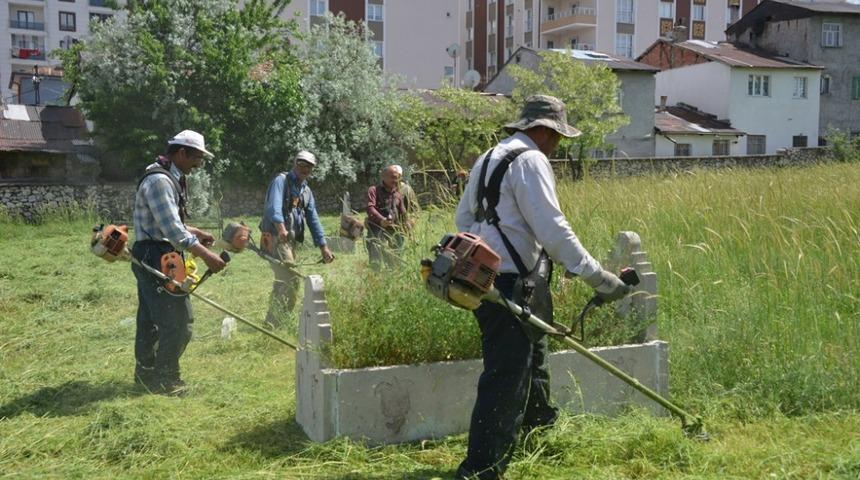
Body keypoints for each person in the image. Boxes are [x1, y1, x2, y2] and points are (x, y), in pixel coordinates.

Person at [453, 95, 631, 479]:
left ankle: (538, 432)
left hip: (489, 278)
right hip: (514, 281)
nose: (558, 146)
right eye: (558, 138)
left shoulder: (488, 158)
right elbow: (553, 228)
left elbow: (464, 217)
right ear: (545, 131)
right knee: (507, 375)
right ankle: (481, 468)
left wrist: (487, 252)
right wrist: (598, 277)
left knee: (533, 358)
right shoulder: (532, 160)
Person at [132, 129, 227, 395]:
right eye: (197, 157)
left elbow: (169, 223)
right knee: (178, 320)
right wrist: (206, 254)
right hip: (157, 256)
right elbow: (172, 231)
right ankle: (165, 379)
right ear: (181, 152)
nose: (199, 165)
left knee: (150, 320)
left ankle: (145, 375)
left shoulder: (165, 176)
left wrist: (196, 233)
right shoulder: (161, 181)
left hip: (151, 252)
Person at [260, 151, 334, 329]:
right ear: (295, 163)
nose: (305, 168)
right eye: (301, 164)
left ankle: (275, 320)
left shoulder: (306, 191)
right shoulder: (281, 181)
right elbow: (273, 208)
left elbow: (313, 219)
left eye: (309, 166)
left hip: (290, 241)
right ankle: (277, 321)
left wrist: (323, 246)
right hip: (276, 236)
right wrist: (282, 229)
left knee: (283, 279)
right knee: (290, 278)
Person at [365, 164, 410, 269]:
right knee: (375, 259)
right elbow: (370, 208)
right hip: (376, 229)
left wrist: (407, 223)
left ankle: (393, 273)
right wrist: (381, 220)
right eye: (393, 177)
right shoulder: (373, 190)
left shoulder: (397, 194)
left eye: (398, 178)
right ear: (383, 177)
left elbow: (403, 212)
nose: (396, 180)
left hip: (394, 230)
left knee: (395, 258)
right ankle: (375, 278)